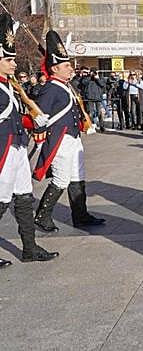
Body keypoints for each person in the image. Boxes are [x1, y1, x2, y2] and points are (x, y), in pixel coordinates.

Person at [33, 30, 106, 232]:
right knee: (61, 178)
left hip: (73, 138)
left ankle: (80, 215)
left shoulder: (65, 86)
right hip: (60, 140)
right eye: (66, 65)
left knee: (77, 176)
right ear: (54, 68)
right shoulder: (50, 88)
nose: (70, 68)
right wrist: (39, 136)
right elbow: (39, 115)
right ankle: (42, 216)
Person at [0, 14, 58, 267]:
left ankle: (30, 247)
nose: (14, 64)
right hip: (3, 150)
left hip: (17, 147)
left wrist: (33, 121)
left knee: (24, 198)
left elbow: (12, 115)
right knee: (1, 200)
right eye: (9, 60)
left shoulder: (10, 86)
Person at [81, 68, 107, 132]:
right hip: (89, 97)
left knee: (99, 113)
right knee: (90, 113)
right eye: (93, 72)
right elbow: (83, 83)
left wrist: (97, 78)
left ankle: (102, 126)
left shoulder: (100, 77)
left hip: (98, 97)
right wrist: (90, 76)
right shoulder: (87, 77)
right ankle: (91, 126)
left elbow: (103, 85)